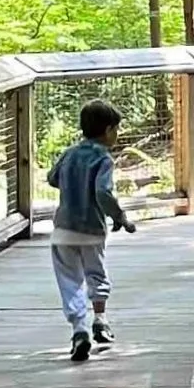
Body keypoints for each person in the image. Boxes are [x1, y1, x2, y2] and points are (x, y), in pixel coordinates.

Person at [48, 99, 132, 362]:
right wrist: (120, 217)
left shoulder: (70, 153)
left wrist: (71, 185)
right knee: (96, 273)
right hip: (92, 229)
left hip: (63, 229)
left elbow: (52, 177)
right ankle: (100, 319)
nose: (116, 135)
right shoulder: (103, 159)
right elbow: (103, 191)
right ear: (107, 130)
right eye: (116, 130)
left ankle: (79, 329)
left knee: (69, 281)